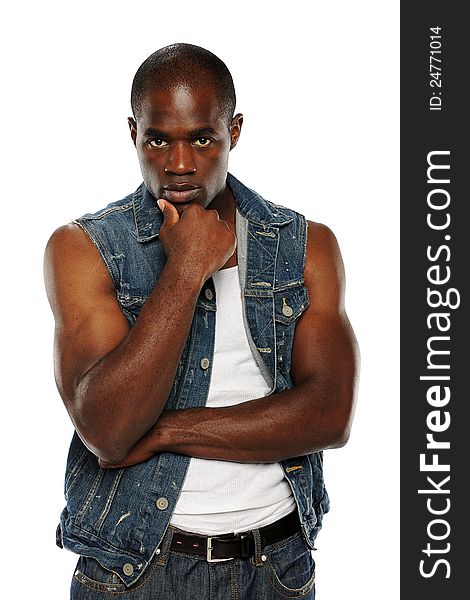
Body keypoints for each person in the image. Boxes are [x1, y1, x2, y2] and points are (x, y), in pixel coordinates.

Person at [44, 43, 359, 599]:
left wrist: (166, 431)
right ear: (133, 133)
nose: (180, 163)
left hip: (277, 569)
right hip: (138, 571)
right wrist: (187, 270)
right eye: (158, 138)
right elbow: (108, 430)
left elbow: (329, 414)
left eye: (202, 139)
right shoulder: (85, 248)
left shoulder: (305, 246)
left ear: (233, 131)